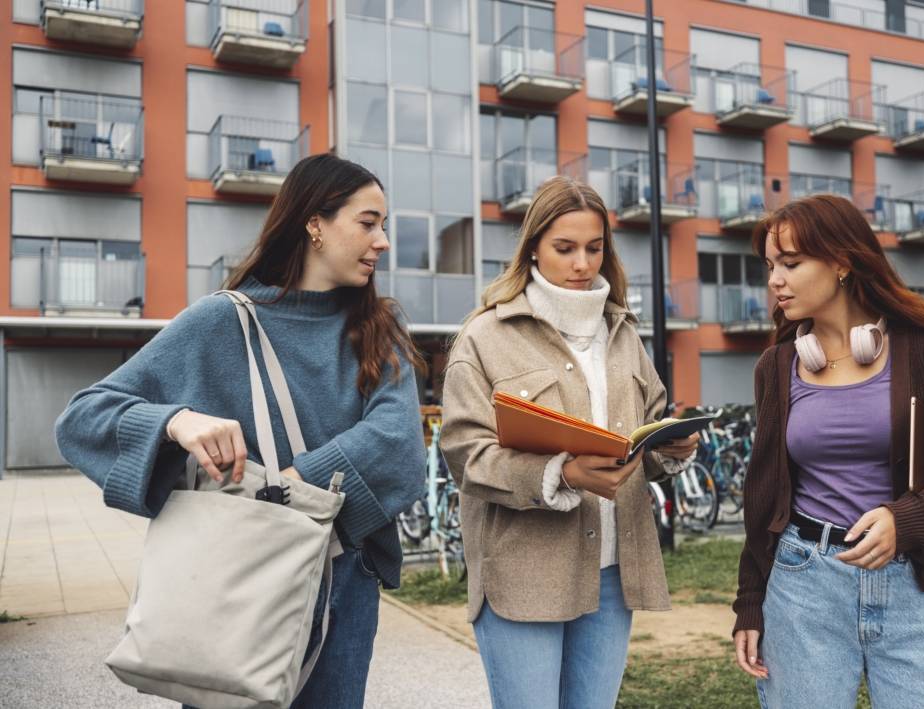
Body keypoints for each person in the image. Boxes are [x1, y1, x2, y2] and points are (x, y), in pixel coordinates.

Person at [54, 154, 426, 709]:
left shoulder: (378, 328)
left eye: (384, 226)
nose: (383, 242)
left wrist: (295, 487)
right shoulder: (220, 321)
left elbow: (399, 445)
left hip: (340, 580)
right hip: (234, 582)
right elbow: (82, 419)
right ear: (315, 224)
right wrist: (176, 422)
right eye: (368, 223)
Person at [440, 176, 698, 709]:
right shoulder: (484, 337)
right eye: (565, 248)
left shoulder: (624, 333)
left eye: (594, 248)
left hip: (612, 575)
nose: (582, 264)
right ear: (533, 246)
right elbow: (466, 455)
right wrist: (560, 474)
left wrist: (670, 450)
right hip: (524, 577)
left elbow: (643, 432)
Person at [731, 194, 924, 708]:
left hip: (917, 587)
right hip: (803, 586)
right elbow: (762, 497)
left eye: (790, 263)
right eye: (769, 266)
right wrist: (750, 604)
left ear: (842, 262)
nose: (774, 281)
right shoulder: (776, 367)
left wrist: (906, 520)